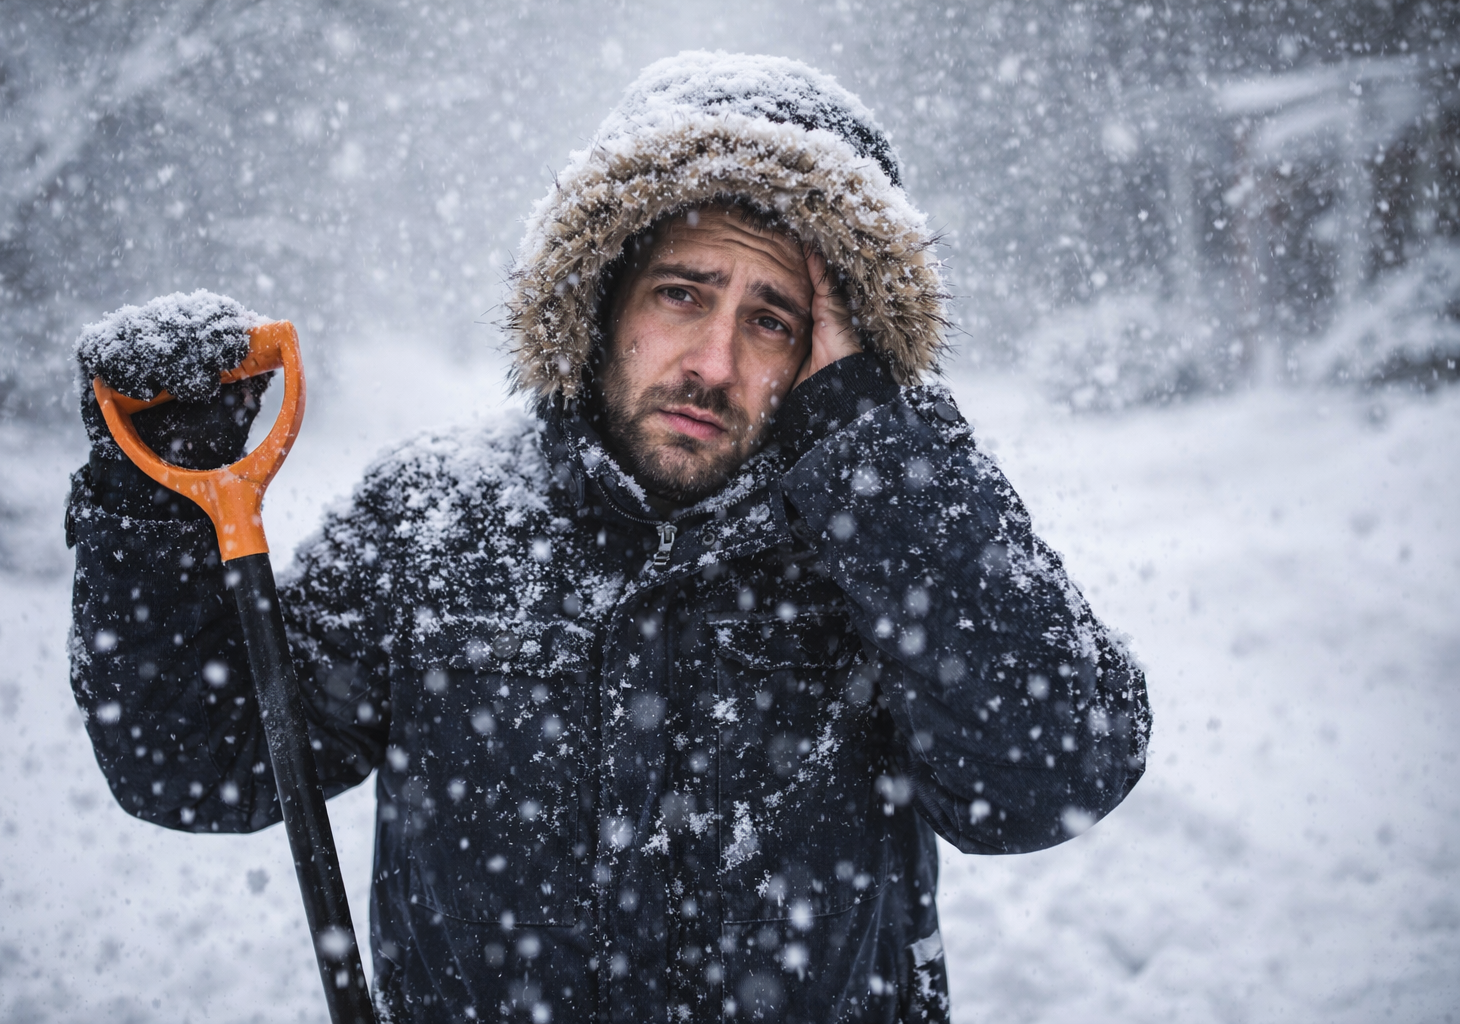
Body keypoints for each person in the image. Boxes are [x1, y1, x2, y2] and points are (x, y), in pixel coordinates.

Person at [66, 52, 1150, 1023]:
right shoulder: (434, 521)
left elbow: (1052, 774)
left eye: (773, 319)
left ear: (836, 350)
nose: (714, 363)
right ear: (601, 295)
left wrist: (877, 445)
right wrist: (146, 508)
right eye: (683, 293)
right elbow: (196, 762)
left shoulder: (879, 538)